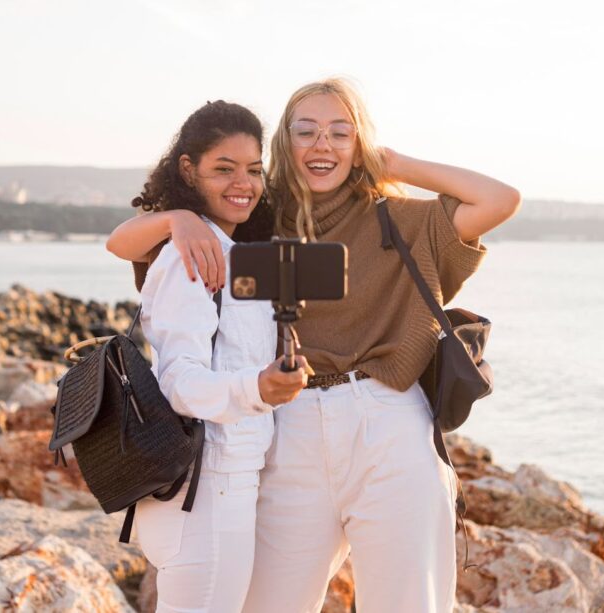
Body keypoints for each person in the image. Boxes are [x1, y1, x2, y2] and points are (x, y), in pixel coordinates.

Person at [108, 79, 520, 612]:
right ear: (285, 143)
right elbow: (122, 243)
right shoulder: (258, 216)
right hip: (287, 426)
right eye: (306, 131)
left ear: (360, 144)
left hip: (388, 424)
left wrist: (389, 162)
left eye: (340, 133)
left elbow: (500, 199)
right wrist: (178, 218)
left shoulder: (399, 223)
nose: (322, 144)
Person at [112, 100, 309, 613]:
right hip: (208, 488)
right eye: (223, 169)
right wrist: (257, 388)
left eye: (253, 170)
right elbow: (178, 378)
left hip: (216, 485)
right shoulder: (194, 253)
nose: (242, 183)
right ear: (188, 170)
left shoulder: (228, 248)